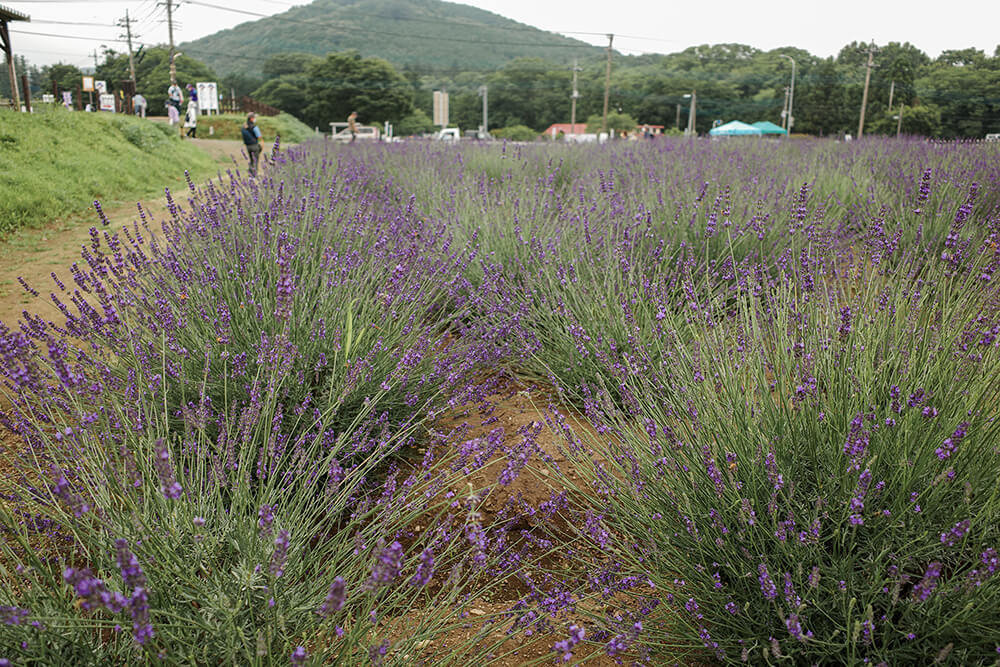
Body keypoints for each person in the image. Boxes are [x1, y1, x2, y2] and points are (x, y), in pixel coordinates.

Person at [241, 112, 263, 177]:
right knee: (255, 159)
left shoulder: (244, 126)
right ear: (251, 118)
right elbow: (259, 136)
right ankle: (254, 174)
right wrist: (261, 143)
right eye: (254, 118)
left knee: (251, 159)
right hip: (254, 145)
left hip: (248, 146)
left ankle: (250, 172)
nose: (255, 119)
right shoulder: (254, 127)